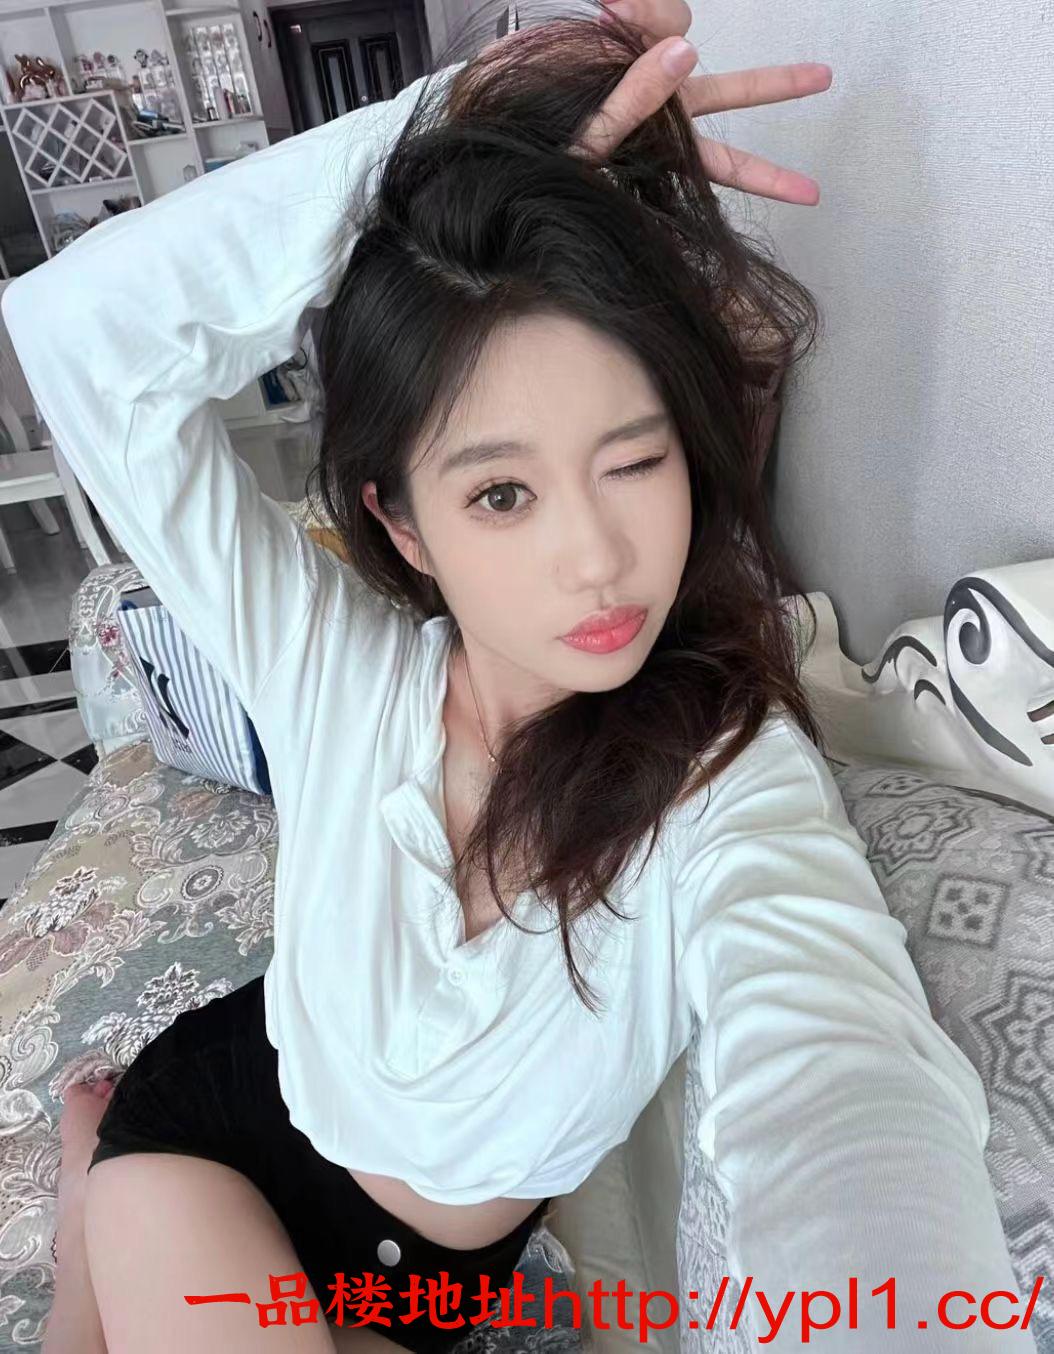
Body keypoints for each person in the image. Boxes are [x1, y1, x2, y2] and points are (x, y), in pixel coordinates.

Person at [1, 3, 1033, 1353]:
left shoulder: (721, 772)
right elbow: (72, 329)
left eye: (635, 460)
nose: (596, 559)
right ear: (403, 525)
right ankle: (104, 1183)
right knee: (142, 1251)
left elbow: (842, 1070)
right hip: (213, 1135)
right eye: (501, 493)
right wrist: (449, 128)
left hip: (428, 1283)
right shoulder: (332, 666)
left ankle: (86, 1212)